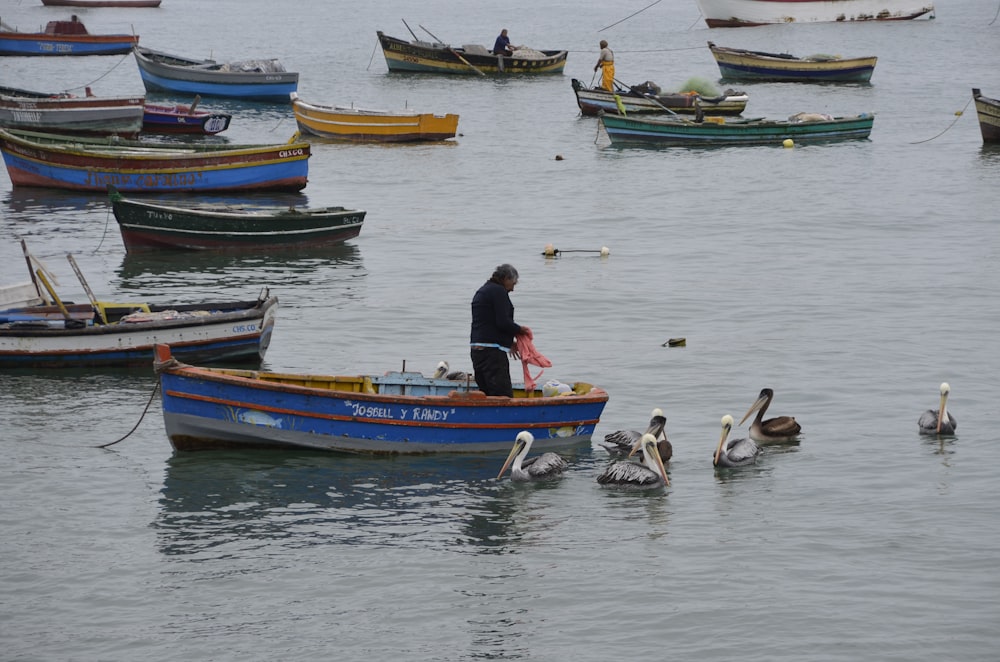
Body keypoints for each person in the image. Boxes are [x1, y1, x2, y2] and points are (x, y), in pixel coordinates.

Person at [470, 264, 531, 397]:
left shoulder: (483, 290)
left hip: (477, 350)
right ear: (505, 278)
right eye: (513, 283)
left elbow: (488, 323)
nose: (513, 289)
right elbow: (503, 322)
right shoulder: (498, 291)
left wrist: (508, 342)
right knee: (503, 396)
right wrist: (520, 330)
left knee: (486, 394)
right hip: (492, 354)